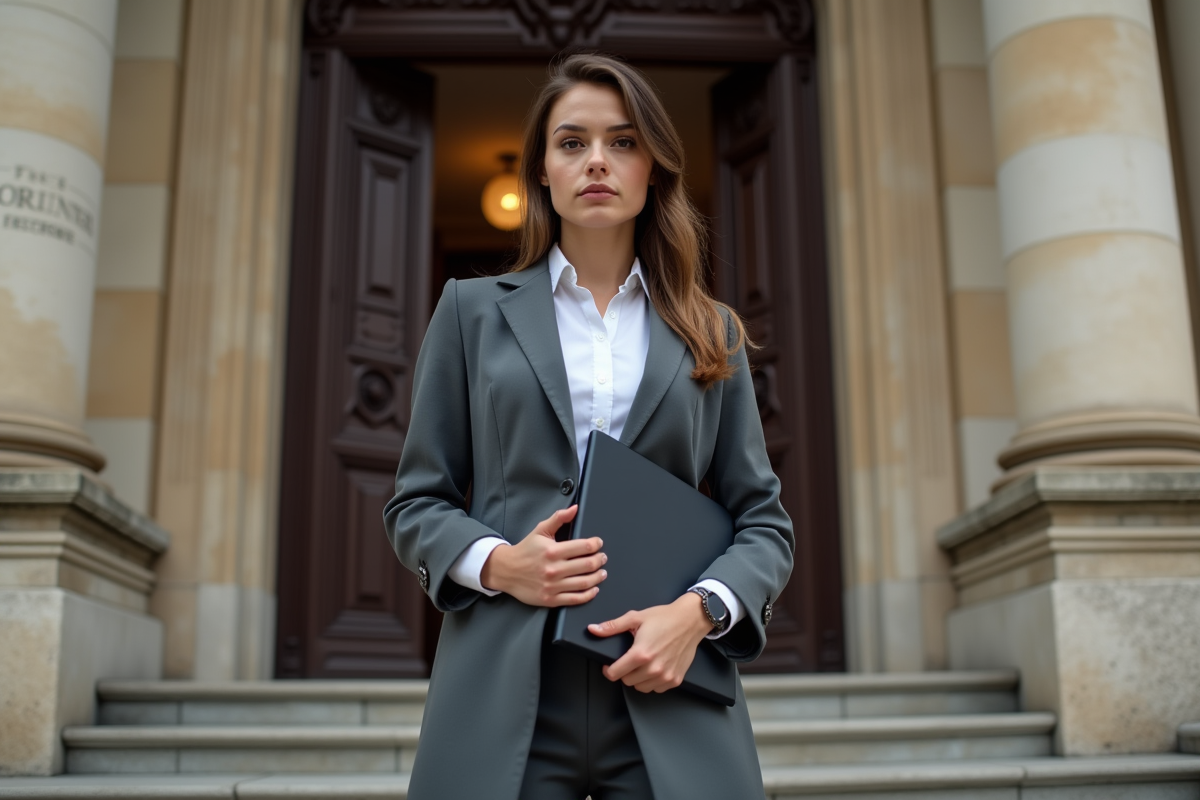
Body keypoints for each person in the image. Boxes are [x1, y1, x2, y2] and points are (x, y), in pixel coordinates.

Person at [383, 52, 794, 800]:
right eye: (572, 142)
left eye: (624, 142)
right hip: (505, 685)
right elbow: (415, 504)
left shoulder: (714, 332)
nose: (597, 161)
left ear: (653, 168)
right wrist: (497, 562)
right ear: (542, 169)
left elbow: (763, 523)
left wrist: (698, 614)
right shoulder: (470, 313)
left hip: (664, 686)